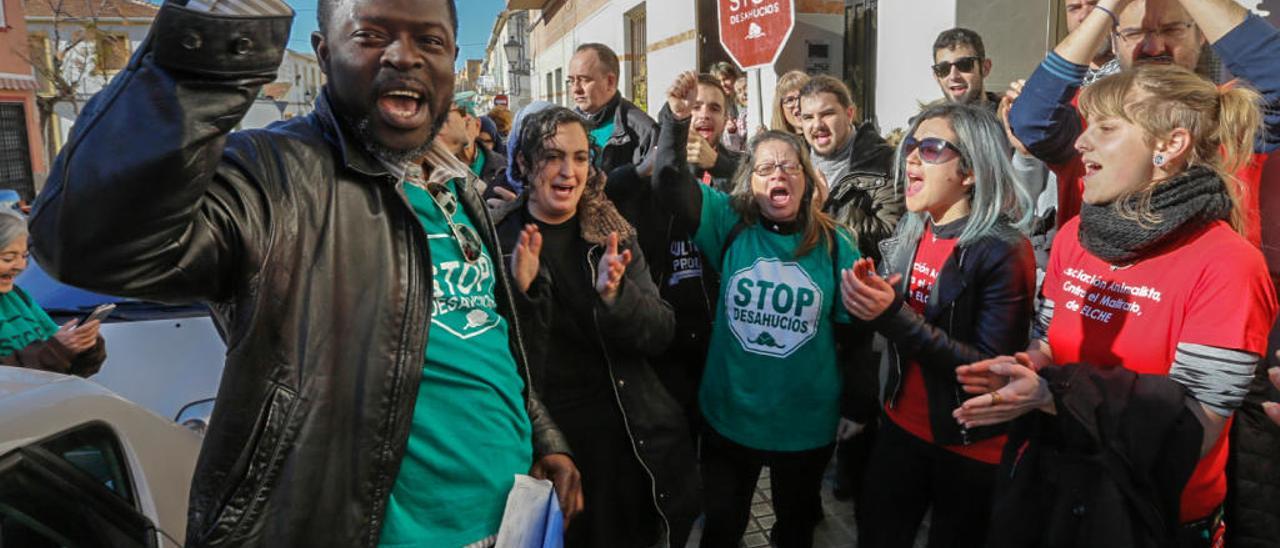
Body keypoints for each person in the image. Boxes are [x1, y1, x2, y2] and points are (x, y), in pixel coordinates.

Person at [26, 0, 583, 545]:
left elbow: (479, 336)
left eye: (429, 41)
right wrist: (220, 36)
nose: (403, 56)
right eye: (370, 36)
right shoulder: (273, 176)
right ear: (323, 52)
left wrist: (543, 436)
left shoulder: (455, 184)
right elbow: (87, 241)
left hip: (511, 518)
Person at [956, 64, 1277, 547]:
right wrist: (1025, 368)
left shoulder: (1230, 264)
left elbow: (1196, 432)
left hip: (1150, 513)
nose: (1081, 143)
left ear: (1169, 146)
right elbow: (1047, 341)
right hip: (1053, 485)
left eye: (1105, 128)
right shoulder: (1074, 236)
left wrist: (1055, 396)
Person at [656, 71, 861, 548]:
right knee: (723, 528)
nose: (778, 176)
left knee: (793, 531)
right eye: (766, 168)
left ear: (808, 179)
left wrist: (857, 405)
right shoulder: (728, 221)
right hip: (731, 417)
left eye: (789, 166)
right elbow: (669, 183)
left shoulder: (836, 245)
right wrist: (675, 118)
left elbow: (853, 332)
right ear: (751, 181)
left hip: (806, 425)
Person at [496, 105, 698, 548]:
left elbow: (662, 332)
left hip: (629, 440)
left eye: (581, 156)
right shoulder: (496, 239)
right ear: (524, 164)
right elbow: (493, 365)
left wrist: (616, 295)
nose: (568, 171)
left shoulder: (613, 233)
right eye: (552, 156)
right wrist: (518, 293)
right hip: (546, 447)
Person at [841, 103, 1035, 547]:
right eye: (910, 145)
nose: (909, 157)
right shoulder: (913, 233)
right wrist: (868, 301)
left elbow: (988, 369)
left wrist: (893, 316)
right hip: (897, 429)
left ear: (969, 171)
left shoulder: (1004, 249)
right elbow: (899, 331)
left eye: (930, 148)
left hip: (967, 447)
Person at [1009, 0, 1280, 244]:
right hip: (1102, 291)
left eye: (1172, 29)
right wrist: (1108, 7)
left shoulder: (1232, 111)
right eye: (1134, 33)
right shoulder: (1088, 116)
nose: (1154, 48)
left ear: (1201, 36)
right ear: (1114, 42)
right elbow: (1030, 121)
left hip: (1208, 290)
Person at [798, 75, 901, 263]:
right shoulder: (793, 161)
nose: (817, 125)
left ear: (849, 114)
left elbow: (891, 239)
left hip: (855, 282)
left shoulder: (884, 161)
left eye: (827, 114)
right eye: (808, 117)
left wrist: (829, 209)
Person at [0, 210, 105, 376]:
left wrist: (82, 346)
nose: (20, 266)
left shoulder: (16, 296)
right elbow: (8, 380)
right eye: (8, 258)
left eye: (24, 256)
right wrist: (56, 350)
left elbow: (66, 370)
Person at [568, 43, 657, 174]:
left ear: (610, 81)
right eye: (571, 81)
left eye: (584, 80)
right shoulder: (565, 126)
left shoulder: (643, 130)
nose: (576, 89)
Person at [437, 93, 508, 193]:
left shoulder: (501, 165)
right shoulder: (440, 169)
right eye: (456, 123)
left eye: (466, 123)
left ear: (477, 126)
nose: (461, 129)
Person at [931, 28, 1001, 111]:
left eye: (964, 64)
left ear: (985, 68)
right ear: (936, 76)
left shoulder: (1011, 116)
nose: (953, 76)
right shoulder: (926, 122)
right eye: (944, 69)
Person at [771, 70, 810, 135]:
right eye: (790, 100)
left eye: (803, 96)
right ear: (780, 108)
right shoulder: (775, 143)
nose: (798, 104)